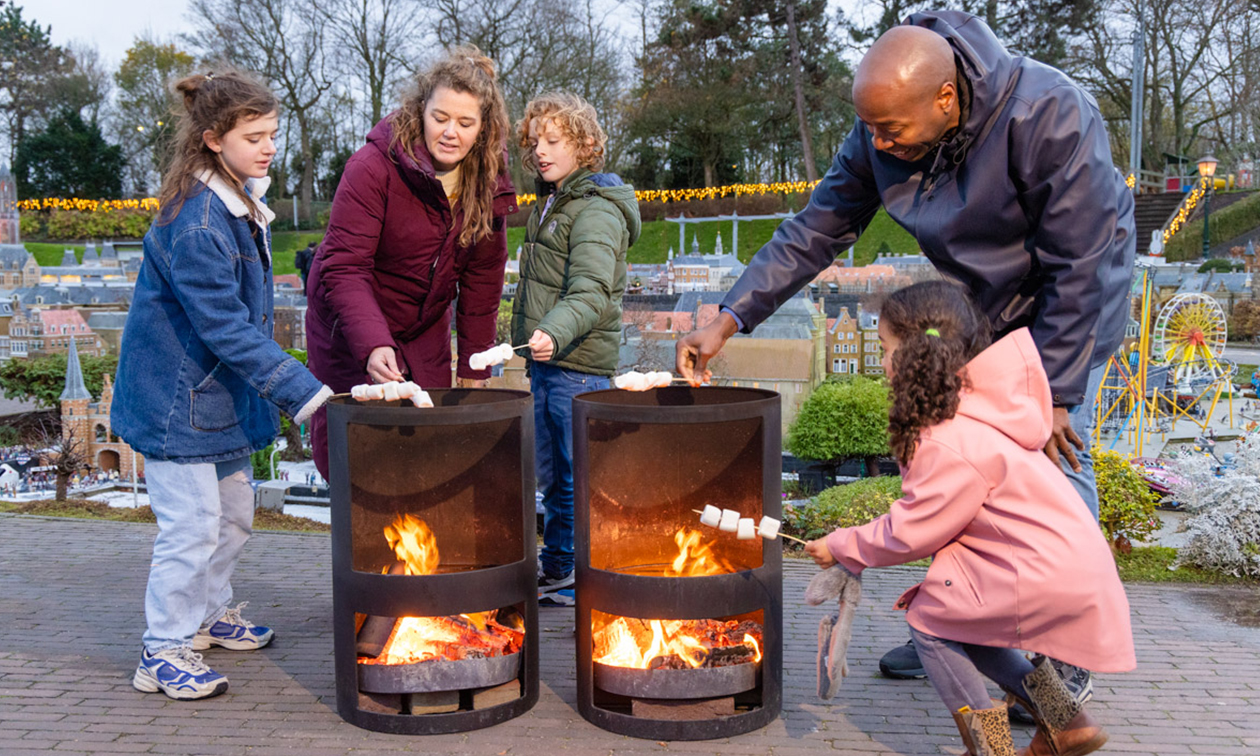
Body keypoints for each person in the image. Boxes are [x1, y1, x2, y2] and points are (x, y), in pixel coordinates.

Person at [676, 10, 1134, 688]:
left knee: (1048, 465)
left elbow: (1082, 265)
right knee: (952, 465)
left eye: (890, 128)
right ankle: (959, 620)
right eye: (870, 127)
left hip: (1067, 310)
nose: (877, 141)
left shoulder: (1049, 114)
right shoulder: (883, 126)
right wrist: (730, 316)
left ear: (945, 99)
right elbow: (816, 228)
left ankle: (1064, 657)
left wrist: (1057, 392)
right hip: (975, 314)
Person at [805, 281, 1134, 756]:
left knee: (929, 623)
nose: (882, 362)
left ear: (914, 357)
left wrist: (841, 545)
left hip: (1039, 570)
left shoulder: (948, 438)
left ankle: (990, 747)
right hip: (1061, 562)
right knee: (961, 627)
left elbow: (914, 529)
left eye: (885, 349)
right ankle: (1068, 722)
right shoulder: (980, 412)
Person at [112, 70, 332, 701]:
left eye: (273, 134)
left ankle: (207, 615)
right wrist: (307, 393)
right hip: (176, 403)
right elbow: (225, 326)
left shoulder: (236, 200)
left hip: (216, 399)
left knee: (233, 516)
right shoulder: (199, 220)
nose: (269, 148)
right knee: (191, 528)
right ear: (213, 139)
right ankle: (162, 649)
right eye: (254, 137)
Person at [305, 47, 517, 477]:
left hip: (425, 327)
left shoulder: (488, 180)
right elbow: (345, 266)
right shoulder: (372, 167)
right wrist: (372, 343)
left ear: (484, 127)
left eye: (465, 123)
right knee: (357, 455)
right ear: (421, 111)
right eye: (440, 118)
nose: (451, 133)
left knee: (427, 443)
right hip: (349, 324)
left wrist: (473, 364)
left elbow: (483, 279)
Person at [510, 92, 640, 606]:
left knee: (578, 479)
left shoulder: (596, 211)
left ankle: (589, 578)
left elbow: (591, 291)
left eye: (553, 140)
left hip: (578, 367)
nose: (540, 151)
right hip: (549, 364)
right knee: (554, 478)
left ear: (584, 144)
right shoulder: (553, 203)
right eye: (534, 141)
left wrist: (553, 331)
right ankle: (560, 568)